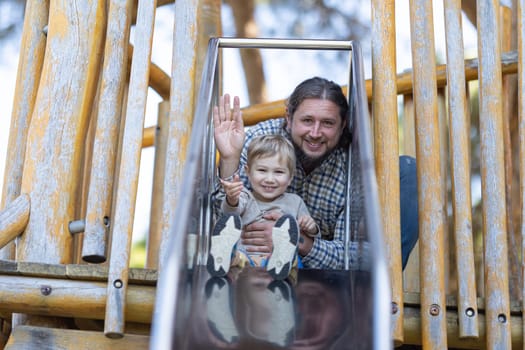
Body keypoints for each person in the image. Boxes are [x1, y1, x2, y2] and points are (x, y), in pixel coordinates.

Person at [213, 76, 419, 270]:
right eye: (307, 120)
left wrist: (297, 241)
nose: (315, 133)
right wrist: (229, 159)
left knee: (408, 169)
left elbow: (357, 256)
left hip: (317, 276)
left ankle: (385, 298)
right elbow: (221, 214)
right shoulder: (261, 140)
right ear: (288, 117)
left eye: (327, 123)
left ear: (343, 124)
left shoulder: (352, 166)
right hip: (245, 262)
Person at [207, 134, 319, 280]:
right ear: (248, 172)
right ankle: (225, 255)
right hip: (246, 263)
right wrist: (232, 198)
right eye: (262, 170)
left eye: (278, 172)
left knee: (294, 258)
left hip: (280, 267)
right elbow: (231, 211)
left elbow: (313, 235)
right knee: (236, 260)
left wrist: (311, 228)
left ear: (290, 177)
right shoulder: (245, 196)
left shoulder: (295, 202)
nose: (270, 179)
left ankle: (282, 258)